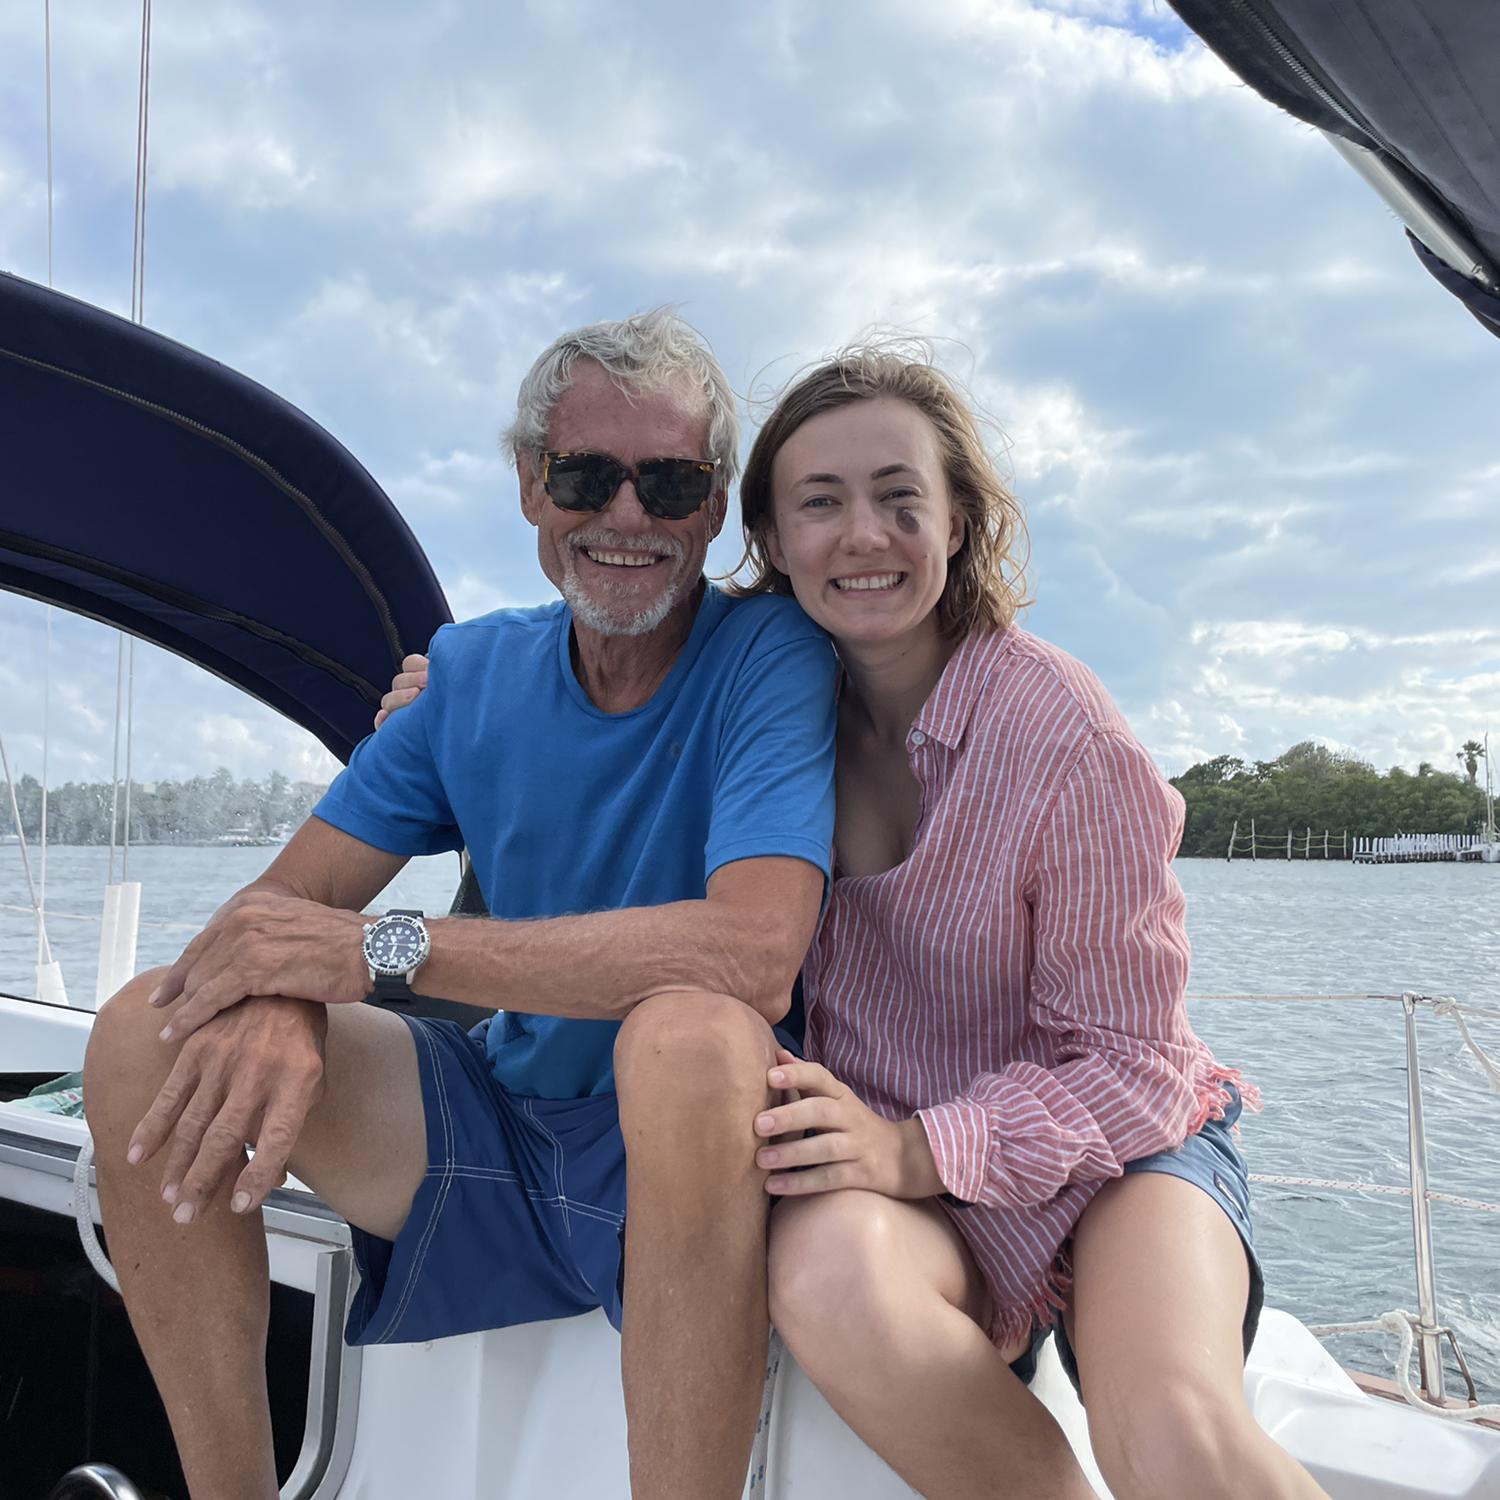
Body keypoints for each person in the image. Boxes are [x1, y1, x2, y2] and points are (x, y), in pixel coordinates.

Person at [382, 346, 1334, 1499]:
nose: (863, 536)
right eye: (819, 504)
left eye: (899, 499)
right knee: (826, 1280)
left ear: (959, 524)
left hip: (1111, 1150)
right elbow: (595, 674)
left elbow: (1134, 1069)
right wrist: (458, 695)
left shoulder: (1065, 738)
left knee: (1173, 1430)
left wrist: (915, 1149)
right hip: (905, 1167)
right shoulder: (757, 713)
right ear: (772, 542)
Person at [82, 308, 839, 1500]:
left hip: (693, 1155)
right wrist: (286, 993)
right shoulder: (469, 672)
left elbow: (754, 955)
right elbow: (271, 919)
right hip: (502, 1122)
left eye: (672, 481)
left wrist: (368, 949)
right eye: (588, 475)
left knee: (689, 1036)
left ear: (714, 504)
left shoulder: (772, 657)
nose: (629, 516)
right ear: (532, 485)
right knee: (148, 1031)